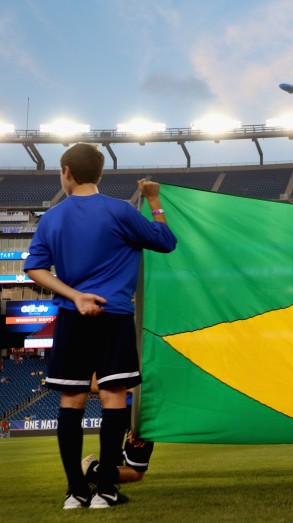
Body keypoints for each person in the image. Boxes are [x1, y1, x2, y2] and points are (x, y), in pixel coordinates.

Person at [24, 143, 177, 508]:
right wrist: (153, 200)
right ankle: (105, 490)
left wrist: (75, 295)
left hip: (71, 316)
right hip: (114, 315)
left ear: (66, 172)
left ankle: (75, 492)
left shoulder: (52, 217)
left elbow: (34, 268)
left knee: (71, 400)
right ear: (100, 174)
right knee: (112, 398)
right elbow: (167, 242)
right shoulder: (120, 210)